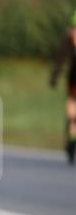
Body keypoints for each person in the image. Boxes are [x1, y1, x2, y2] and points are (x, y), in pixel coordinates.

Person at [49, 11, 76, 164]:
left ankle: (72, 135)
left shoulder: (69, 37)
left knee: (72, 102)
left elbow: (60, 59)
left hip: (74, 76)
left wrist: (54, 77)